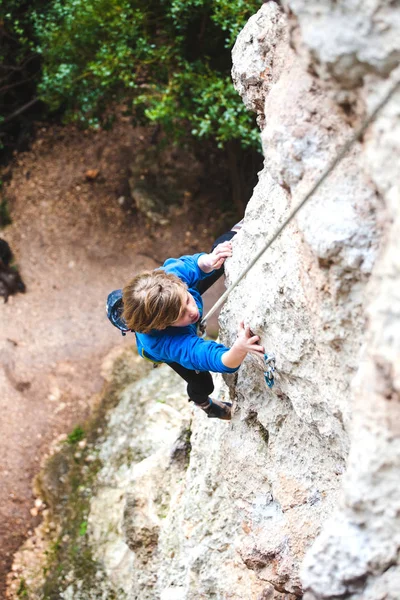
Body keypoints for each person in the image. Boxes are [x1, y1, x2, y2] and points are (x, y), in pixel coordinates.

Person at [119, 225, 264, 421]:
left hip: (172, 304)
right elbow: (215, 358)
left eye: (187, 300)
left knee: (221, 253)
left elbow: (192, 265)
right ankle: (205, 405)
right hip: (164, 347)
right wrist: (239, 349)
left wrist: (208, 261)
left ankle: (241, 226)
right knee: (203, 383)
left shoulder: (167, 280)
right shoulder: (167, 342)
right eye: (181, 315)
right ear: (162, 325)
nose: (193, 311)